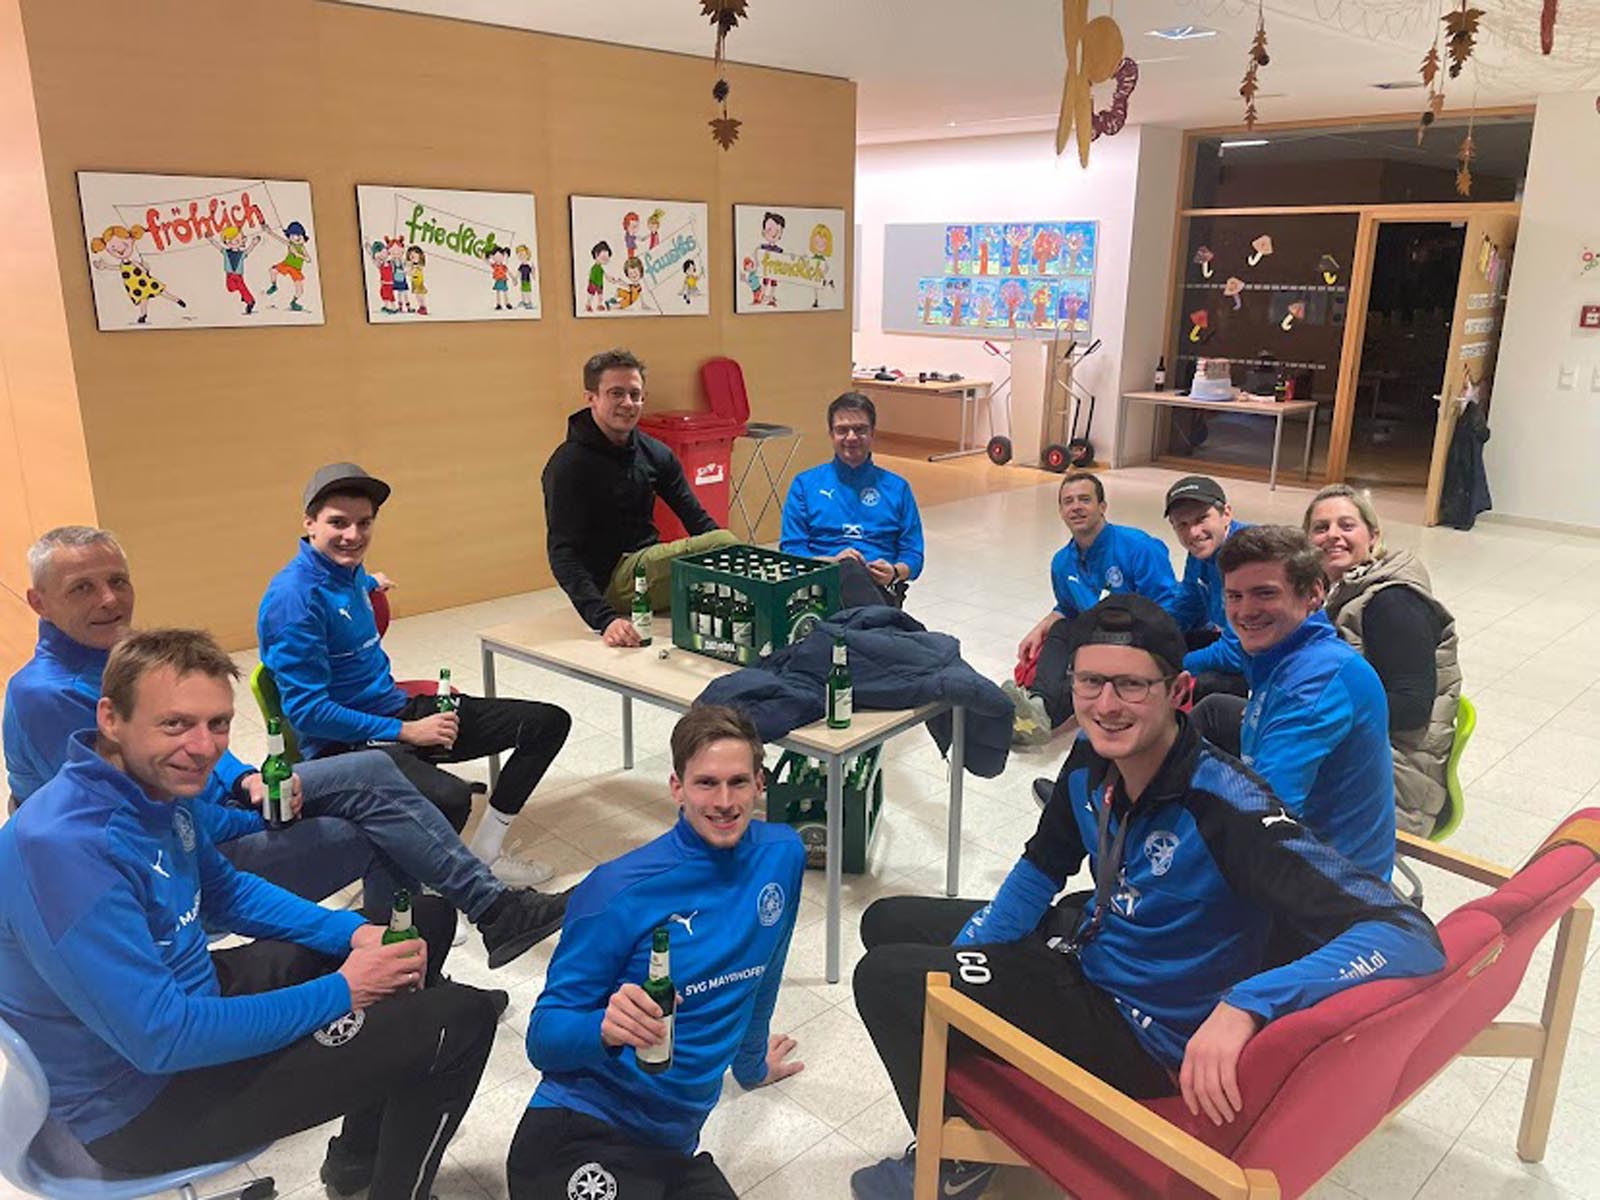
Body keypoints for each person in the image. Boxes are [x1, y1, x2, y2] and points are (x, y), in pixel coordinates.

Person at [849, 596, 1444, 1200]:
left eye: (1132, 686)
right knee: (888, 921)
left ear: (1179, 692)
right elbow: (1042, 867)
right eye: (1090, 682)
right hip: (1091, 945)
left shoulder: (1228, 808)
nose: (1106, 707)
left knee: (885, 978)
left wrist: (1249, 1003)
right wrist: (974, 955)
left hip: (1137, 1027)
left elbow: (1406, 932)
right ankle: (971, 1106)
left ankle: (953, 1164)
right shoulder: (1092, 755)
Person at [0, 628, 502, 1200]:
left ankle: (356, 1161)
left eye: (217, 723)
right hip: (140, 1103)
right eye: (175, 723)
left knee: (420, 925)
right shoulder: (65, 851)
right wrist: (345, 990)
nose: (203, 747)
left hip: (187, 1001)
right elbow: (162, 1039)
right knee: (460, 1021)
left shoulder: (152, 788)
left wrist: (352, 932)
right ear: (111, 718)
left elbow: (228, 891)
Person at [3, 526, 565, 967]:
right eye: (82, 588)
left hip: (213, 809)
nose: (109, 599)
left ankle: (486, 918)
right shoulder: (48, 696)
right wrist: (257, 816)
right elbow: (156, 824)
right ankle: (418, 967)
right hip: (181, 862)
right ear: (38, 602)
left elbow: (196, 739)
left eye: (118, 581)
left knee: (371, 771)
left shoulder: (117, 656)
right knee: (382, 828)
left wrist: (246, 779)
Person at [509, 705, 806, 1200]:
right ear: (677, 788)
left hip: (672, 1150)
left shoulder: (783, 855)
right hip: (583, 1127)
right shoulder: (617, 889)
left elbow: (764, 975)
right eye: (706, 783)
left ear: (760, 783)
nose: (724, 801)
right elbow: (543, 1039)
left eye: (738, 782)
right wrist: (603, 1027)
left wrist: (752, 1067)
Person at [257, 464, 574, 889]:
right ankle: (421, 887)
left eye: (364, 523)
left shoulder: (345, 570)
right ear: (309, 523)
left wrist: (371, 582)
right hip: (343, 744)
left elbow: (349, 581)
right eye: (338, 523)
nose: (353, 535)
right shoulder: (293, 601)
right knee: (451, 799)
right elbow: (308, 713)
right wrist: (407, 731)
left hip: (392, 708)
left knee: (547, 724)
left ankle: (485, 854)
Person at [1189, 525, 1396, 882]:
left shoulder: (1312, 685)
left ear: (1313, 594)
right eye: (1234, 596)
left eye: (1265, 593)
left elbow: (1259, 822)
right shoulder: (1288, 655)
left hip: (1328, 887)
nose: (1245, 611)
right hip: (1319, 849)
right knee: (1211, 711)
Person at [541, 348, 738, 647]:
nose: (628, 403)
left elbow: (696, 519)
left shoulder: (654, 452)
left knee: (725, 560)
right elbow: (562, 553)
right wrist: (604, 619)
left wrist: (729, 561)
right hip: (610, 582)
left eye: (635, 394)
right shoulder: (568, 465)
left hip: (647, 566)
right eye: (616, 394)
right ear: (591, 398)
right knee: (723, 544)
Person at [1305, 484, 1461, 837]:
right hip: (1364, 750)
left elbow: (1412, 707)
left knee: (1225, 728)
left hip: (1395, 781)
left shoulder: (1391, 602)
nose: (1333, 535)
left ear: (1373, 536)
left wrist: (1311, 711)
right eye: (1321, 528)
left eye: (1346, 525)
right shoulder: (1341, 593)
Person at [1003, 471, 1179, 747]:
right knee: (1061, 629)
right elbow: (1067, 608)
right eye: (1068, 501)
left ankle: (1039, 714)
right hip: (1095, 639)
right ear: (1061, 512)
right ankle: (1039, 707)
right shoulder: (1062, 562)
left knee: (1092, 672)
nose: (1076, 507)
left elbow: (1167, 607)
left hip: (1138, 640)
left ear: (1102, 506)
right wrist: (1039, 629)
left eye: (1085, 499)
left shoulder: (1139, 547)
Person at [780, 391, 925, 608]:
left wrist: (894, 572)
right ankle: (882, 624)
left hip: (880, 589)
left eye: (860, 429)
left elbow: (913, 556)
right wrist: (833, 563)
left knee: (856, 584)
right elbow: (792, 551)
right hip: (820, 588)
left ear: (872, 433)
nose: (851, 437)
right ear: (831, 435)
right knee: (848, 567)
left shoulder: (898, 488)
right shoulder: (805, 484)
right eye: (842, 430)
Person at [1164, 475, 1249, 701]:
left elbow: (1238, 652)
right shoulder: (1202, 552)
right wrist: (1151, 637)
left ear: (1226, 514)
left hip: (1271, 663)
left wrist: (1173, 663)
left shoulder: (1249, 556)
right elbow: (1186, 606)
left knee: (1205, 684)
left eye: (1202, 518)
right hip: (1233, 638)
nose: (1193, 532)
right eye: (1182, 524)